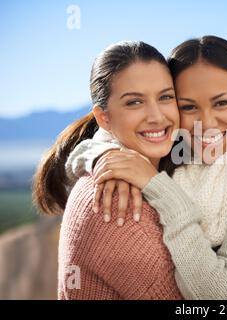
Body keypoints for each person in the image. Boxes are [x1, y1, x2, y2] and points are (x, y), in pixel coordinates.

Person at [67, 36, 227, 299]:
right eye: (188, 107)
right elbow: (97, 141)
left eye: (221, 102)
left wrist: (157, 187)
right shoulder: (181, 152)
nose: (206, 122)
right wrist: (104, 155)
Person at [32, 41, 183, 299]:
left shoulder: (163, 168)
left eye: (166, 96)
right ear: (104, 118)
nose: (157, 116)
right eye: (135, 102)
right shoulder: (114, 203)